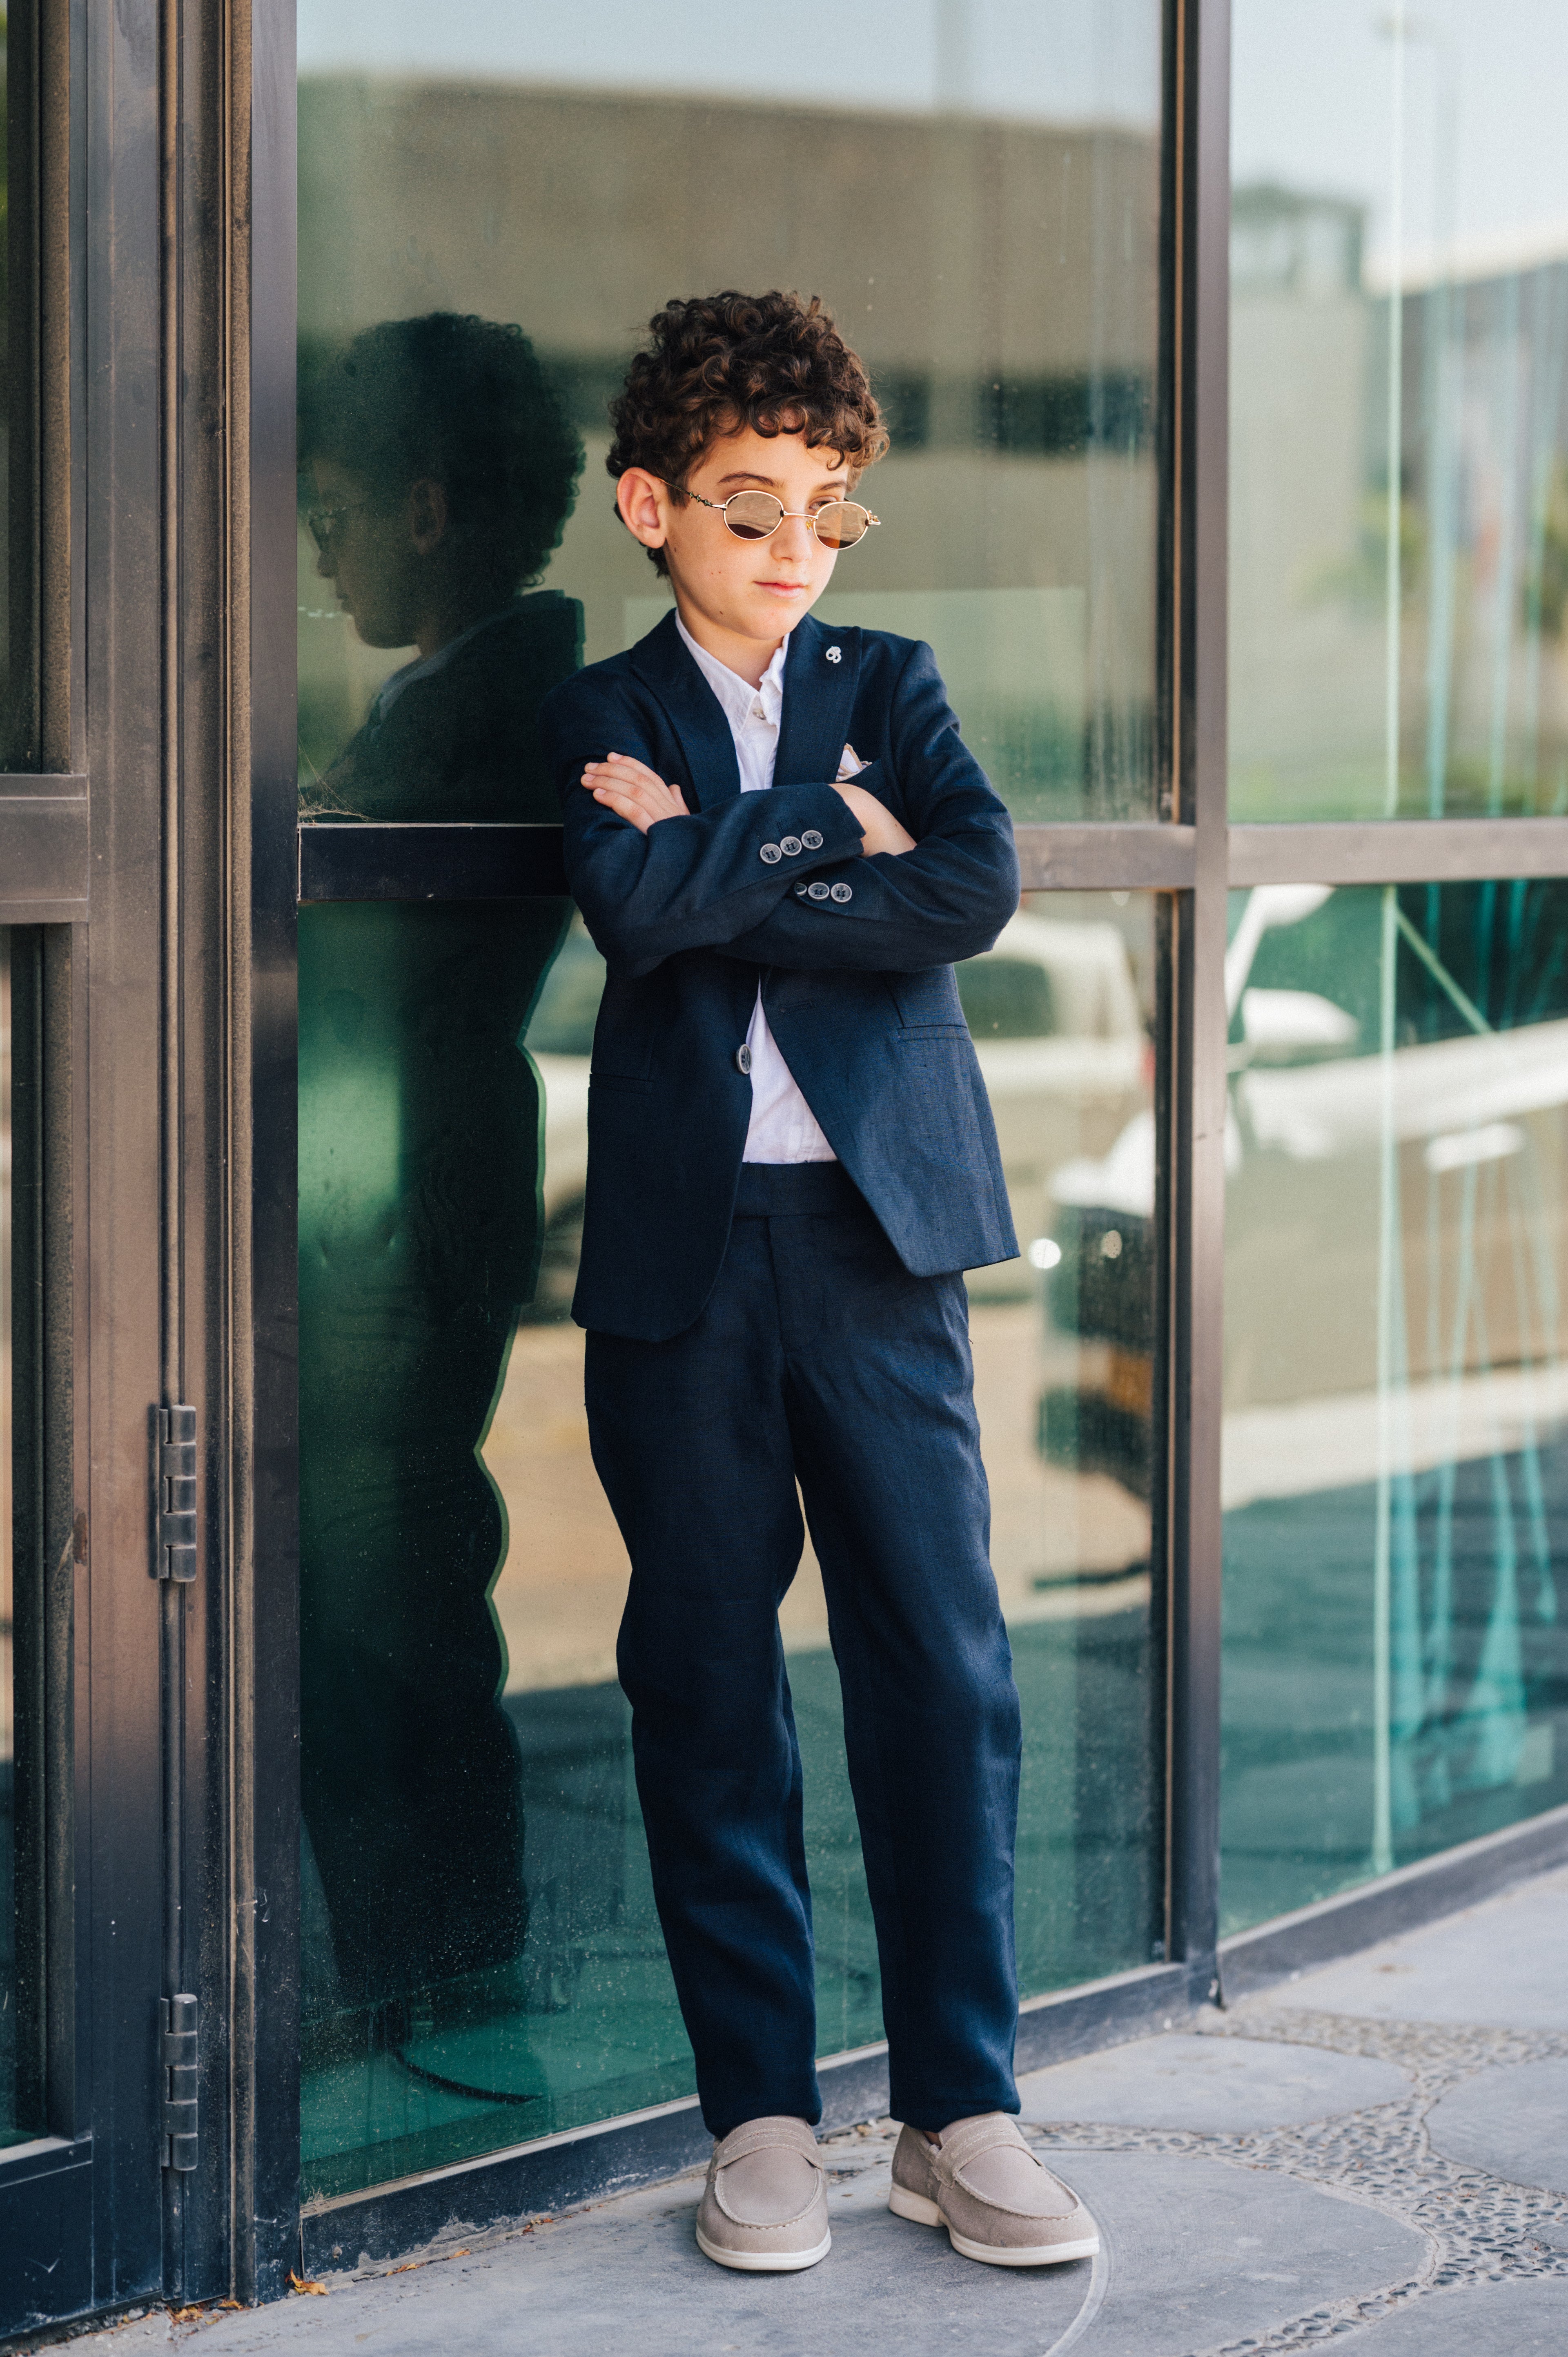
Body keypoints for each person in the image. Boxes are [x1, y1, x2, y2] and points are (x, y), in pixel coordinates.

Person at [538, 290, 1100, 2272]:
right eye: (748, 507)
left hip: (882, 1251)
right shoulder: (607, 714)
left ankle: (963, 2114)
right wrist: (824, 835)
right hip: (688, 1268)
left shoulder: (899, 675)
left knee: (939, 1675)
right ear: (650, 507)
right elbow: (632, 910)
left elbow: (974, 881)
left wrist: (736, 852)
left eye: (823, 513)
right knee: (706, 1685)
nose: (791, 551)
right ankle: (762, 2122)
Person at [295, 313, 582, 2052]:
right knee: (371, 1593)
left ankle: (443, 1978)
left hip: (401, 1212)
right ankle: (419, 1970)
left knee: (388, 1599)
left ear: (421, 507)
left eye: (331, 511)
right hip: (389, 1197)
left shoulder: (509, 703)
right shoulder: (447, 695)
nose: (315, 549)